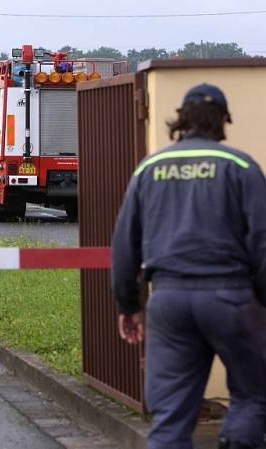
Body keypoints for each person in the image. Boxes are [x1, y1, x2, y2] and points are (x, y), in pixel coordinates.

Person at [111, 83, 266, 449]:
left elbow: (124, 244)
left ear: (180, 119)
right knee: (251, 394)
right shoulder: (241, 167)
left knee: (171, 415)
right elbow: (262, 241)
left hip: (169, 302)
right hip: (232, 299)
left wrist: (128, 305)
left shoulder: (150, 169)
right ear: (223, 120)